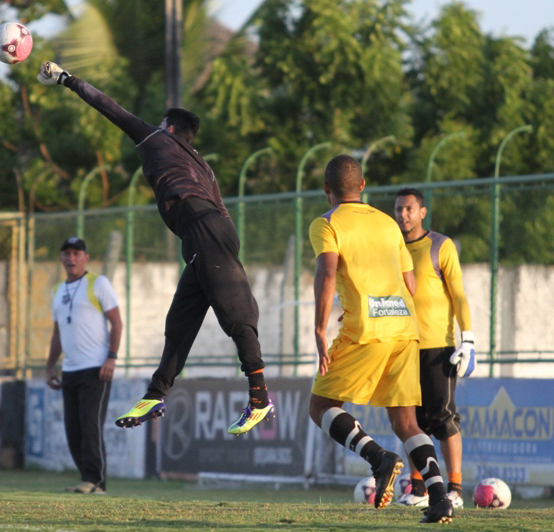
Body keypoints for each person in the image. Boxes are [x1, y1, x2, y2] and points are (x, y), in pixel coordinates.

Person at [37, 61, 272, 435]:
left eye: (162, 123)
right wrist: (216, 239)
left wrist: (68, 79)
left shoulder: (158, 139)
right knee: (179, 324)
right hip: (207, 231)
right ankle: (155, 394)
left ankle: (259, 397)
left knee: (236, 312)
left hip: (201, 229)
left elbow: (110, 107)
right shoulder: (203, 165)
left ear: (170, 128)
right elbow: (221, 207)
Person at [307, 155, 453, 523]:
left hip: (366, 331)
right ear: (363, 186)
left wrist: (320, 329)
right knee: (407, 423)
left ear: (326, 189)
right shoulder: (389, 223)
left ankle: (378, 457)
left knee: (320, 406)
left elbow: (327, 274)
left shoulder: (327, 223)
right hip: (404, 329)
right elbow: (410, 284)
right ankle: (440, 499)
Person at [393, 188, 474, 509]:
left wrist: (468, 339)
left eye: (409, 209)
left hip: (438, 347)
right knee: (411, 421)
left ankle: (455, 489)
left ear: (422, 212)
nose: (403, 215)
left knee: (442, 418)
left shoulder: (441, 245)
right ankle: (419, 489)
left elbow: (458, 295)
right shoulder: (392, 248)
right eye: (399, 209)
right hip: (402, 346)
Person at [45, 237, 123, 494]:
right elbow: (58, 333)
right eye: (66, 253)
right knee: (73, 430)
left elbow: (116, 322)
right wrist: (50, 366)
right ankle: (86, 479)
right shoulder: (57, 290)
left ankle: (96, 482)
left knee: (91, 425)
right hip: (70, 370)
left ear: (86, 258)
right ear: (61, 258)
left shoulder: (98, 283)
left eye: (77, 253)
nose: (71, 258)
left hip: (96, 368)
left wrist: (111, 357)